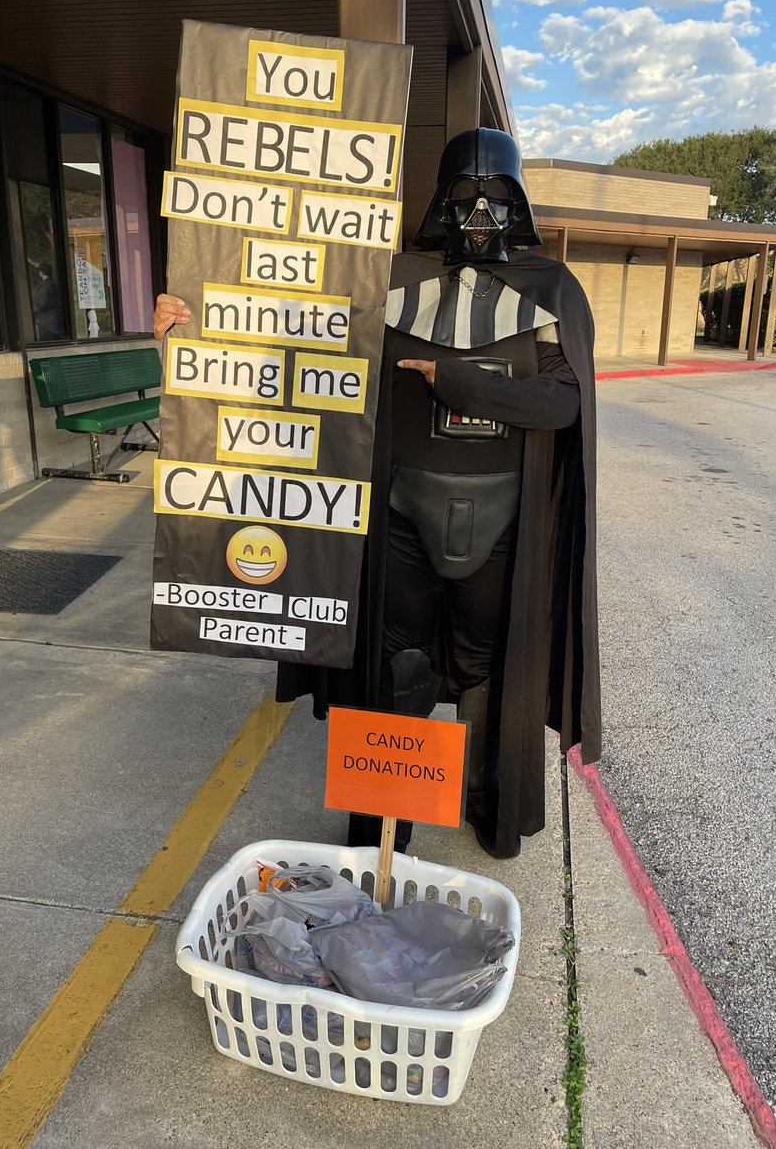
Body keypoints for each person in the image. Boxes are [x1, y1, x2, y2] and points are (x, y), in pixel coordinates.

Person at [153, 127, 600, 859]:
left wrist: (457, 381)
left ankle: (488, 801)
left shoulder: (549, 288)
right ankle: (384, 817)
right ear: (439, 200)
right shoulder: (387, 280)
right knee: (396, 661)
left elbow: (562, 405)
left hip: (505, 515)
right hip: (396, 507)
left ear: (518, 204)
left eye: (494, 198)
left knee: (488, 664)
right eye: (464, 197)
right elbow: (293, 339)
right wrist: (195, 323)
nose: (478, 216)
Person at [31, 262, 65, 341]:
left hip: (46, 323)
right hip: (55, 322)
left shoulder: (46, 286)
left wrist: (34, 306)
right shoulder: (53, 284)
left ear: (41, 273)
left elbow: (41, 302)